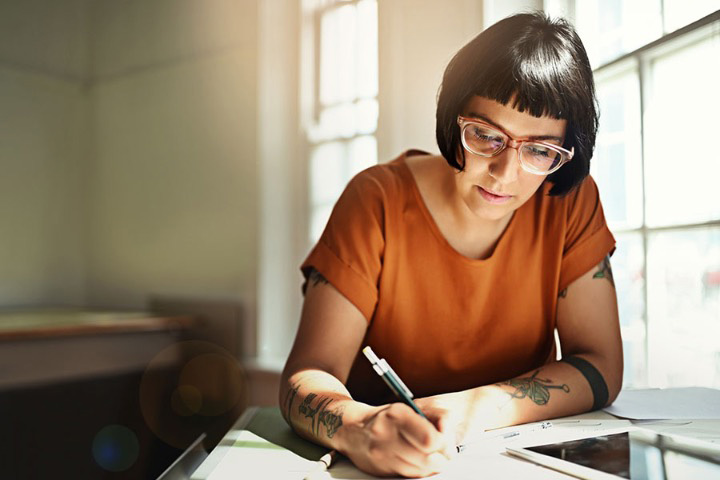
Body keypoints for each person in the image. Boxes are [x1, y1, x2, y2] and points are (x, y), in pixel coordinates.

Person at [280, 11, 623, 478]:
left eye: (540, 150)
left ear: (566, 150)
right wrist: (361, 426)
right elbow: (306, 376)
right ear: (453, 116)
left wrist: (470, 412)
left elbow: (601, 365)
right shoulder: (375, 201)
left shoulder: (568, 200)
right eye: (486, 136)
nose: (506, 174)